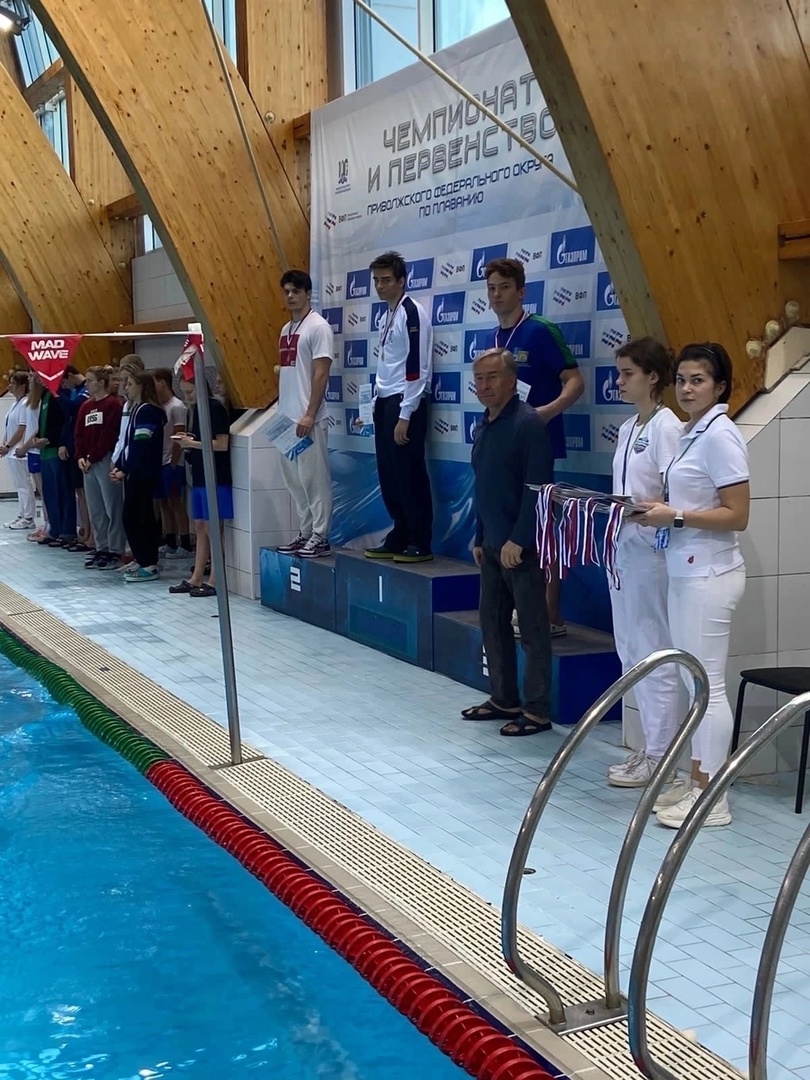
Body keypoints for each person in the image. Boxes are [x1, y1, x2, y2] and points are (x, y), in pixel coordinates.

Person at [636, 343, 749, 828]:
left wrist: (676, 515)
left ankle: (712, 797)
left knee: (709, 686)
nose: (686, 388)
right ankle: (699, 775)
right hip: (686, 569)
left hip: (709, 575)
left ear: (720, 386)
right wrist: (659, 510)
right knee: (693, 681)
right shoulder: (689, 432)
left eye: (698, 380)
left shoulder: (721, 435)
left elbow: (738, 515)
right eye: (681, 379)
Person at [484, 257, 585, 636]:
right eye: (491, 288)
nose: (497, 295)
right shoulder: (493, 339)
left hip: (536, 444)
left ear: (521, 291)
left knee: (540, 527)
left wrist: (546, 412)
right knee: (510, 524)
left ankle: (549, 614)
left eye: (504, 287)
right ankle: (520, 606)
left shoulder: (540, 330)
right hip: (502, 447)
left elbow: (575, 381)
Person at [462, 347, 554, 736]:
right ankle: (504, 698)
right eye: (479, 379)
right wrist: (481, 536)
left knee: (532, 630)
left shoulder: (528, 424)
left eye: (492, 377)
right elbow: (485, 486)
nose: (484, 386)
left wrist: (520, 539)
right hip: (492, 545)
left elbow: (538, 489)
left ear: (512, 380)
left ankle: (537, 710)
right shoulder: (484, 424)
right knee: (492, 622)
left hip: (521, 548)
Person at [605, 339, 684, 787]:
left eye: (627, 373)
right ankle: (651, 749)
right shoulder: (628, 428)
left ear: (653, 377)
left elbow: (677, 495)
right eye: (619, 372)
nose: (618, 381)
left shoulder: (668, 429)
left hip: (653, 553)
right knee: (631, 650)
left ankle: (662, 758)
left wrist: (647, 512)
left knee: (654, 651)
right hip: (624, 550)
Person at [364, 250, 434, 563]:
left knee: (409, 473)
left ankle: (420, 539)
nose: (380, 286)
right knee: (389, 474)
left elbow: (417, 367)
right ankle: (400, 531)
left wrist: (406, 413)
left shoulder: (412, 312)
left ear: (402, 281)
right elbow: (387, 365)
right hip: (386, 400)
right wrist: (375, 403)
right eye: (376, 280)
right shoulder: (386, 315)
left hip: (406, 401)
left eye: (386, 280)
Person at [274, 269, 335, 559]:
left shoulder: (318, 327)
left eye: (296, 291)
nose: (290, 296)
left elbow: (321, 373)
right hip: (286, 419)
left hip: (307, 419)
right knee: (295, 482)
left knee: (314, 480)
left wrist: (310, 414)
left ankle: (321, 536)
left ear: (308, 293)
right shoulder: (286, 329)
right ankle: (306, 531)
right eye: (286, 291)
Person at [168, 374, 232, 598]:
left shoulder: (215, 408)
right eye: (184, 393)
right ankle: (196, 577)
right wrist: (188, 442)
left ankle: (215, 579)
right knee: (199, 526)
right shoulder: (194, 410)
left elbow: (222, 444)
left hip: (216, 476)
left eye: (190, 392)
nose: (187, 397)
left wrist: (191, 443)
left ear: (202, 388)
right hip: (199, 474)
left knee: (213, 528)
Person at [112, 370, 166, 583]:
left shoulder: (147, 412)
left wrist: (126, 468)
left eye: (130, 384)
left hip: (143, 473)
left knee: (139, 518)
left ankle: (149, 563)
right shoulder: (137, 409)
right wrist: (120, 465)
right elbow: (127, 442)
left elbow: (140, 444)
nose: (126, 387)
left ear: (142, 386)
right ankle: (142, 558)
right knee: (133, 517)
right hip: (135, 472)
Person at [75, 366, 126, 570]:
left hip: (104, 459)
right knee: (96, 508)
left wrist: (92, 456)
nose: (87, 384)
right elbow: (79, 433)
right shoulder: (86, 406)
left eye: (90, 380)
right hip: (88, 464)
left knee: (112, 507)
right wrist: (80, 456)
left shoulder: (113, 405)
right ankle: (101, 546)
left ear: (102, 382)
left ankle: (115, 549)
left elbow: (109, 434)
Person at [153, 367, 192, 558]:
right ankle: (170, 540)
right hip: (159, 461)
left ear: (163, 382)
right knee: (162, 502)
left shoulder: (177, 406)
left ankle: (185, 542)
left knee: (175, 501)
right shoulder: (159, 406)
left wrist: (174, 463)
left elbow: (179, 436)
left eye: (154, 382)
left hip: (171, 461)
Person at [58, 364, 91, 552]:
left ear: (70, 376)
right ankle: (86, 530)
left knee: (86, 494)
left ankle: (91, 534)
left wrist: (56, 392)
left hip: (82, 447)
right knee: (80, 492)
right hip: (73, 446)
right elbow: (68, 420)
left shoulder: (85, 391)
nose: (64, 386)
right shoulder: (75, 391)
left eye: (64, 383)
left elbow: (72, 409)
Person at [1, 372, 36, 530]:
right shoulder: (15, 404)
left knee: (24, 485)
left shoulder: (25, 403)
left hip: (19, 450)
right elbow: (10, 426)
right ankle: (22, 514)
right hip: (11, 450)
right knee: (19, 485)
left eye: (13, 383)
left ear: (23, 386)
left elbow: (22, 429)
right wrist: (4, 444)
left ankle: (28, 517)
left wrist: (9, 446)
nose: (10, 386)